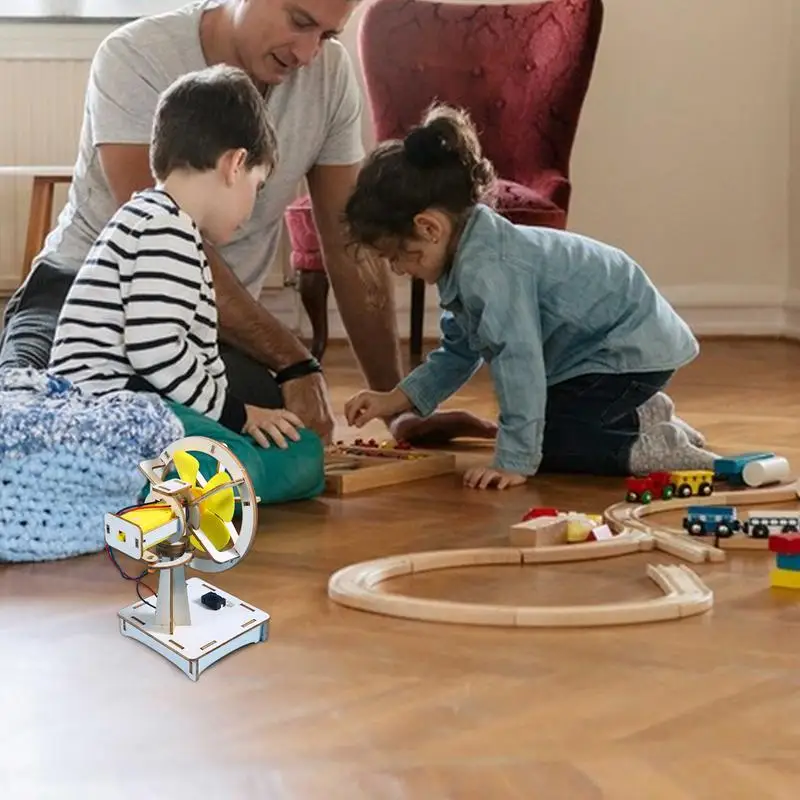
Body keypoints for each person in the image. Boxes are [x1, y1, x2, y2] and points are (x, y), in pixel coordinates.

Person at [0, 0, 495, 447]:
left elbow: (352, 243)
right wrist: (293, 359)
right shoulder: (135, 55)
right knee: (27, 408)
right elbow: (170, 241)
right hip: (78, 294)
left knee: (278, 422)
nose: (307, 53)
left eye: (326, 36)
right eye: (299, 22)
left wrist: (397, 404)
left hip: (203, 327)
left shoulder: (329, 76)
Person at [342, 103, 716, 490]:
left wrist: (513, 461)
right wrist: (394, 400)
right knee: (546, 422)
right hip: (607, 349)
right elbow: (457, 354)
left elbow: (518, 363)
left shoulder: (489, 271)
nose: (401, 270)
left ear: (430, 228)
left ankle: (653, 446)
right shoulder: (469, 257)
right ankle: (640, 413)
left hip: (628, 349)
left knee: (550, 443)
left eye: (401, 256)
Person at [48, 64, 305, 450]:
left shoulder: (148, 217)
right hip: (115, 410)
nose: (252, 207)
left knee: (263, 433)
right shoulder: (167, 231)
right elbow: (156, 351)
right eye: (258, 185)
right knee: (291, 455)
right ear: (235, 165)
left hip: (111, 401)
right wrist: (238, 414)